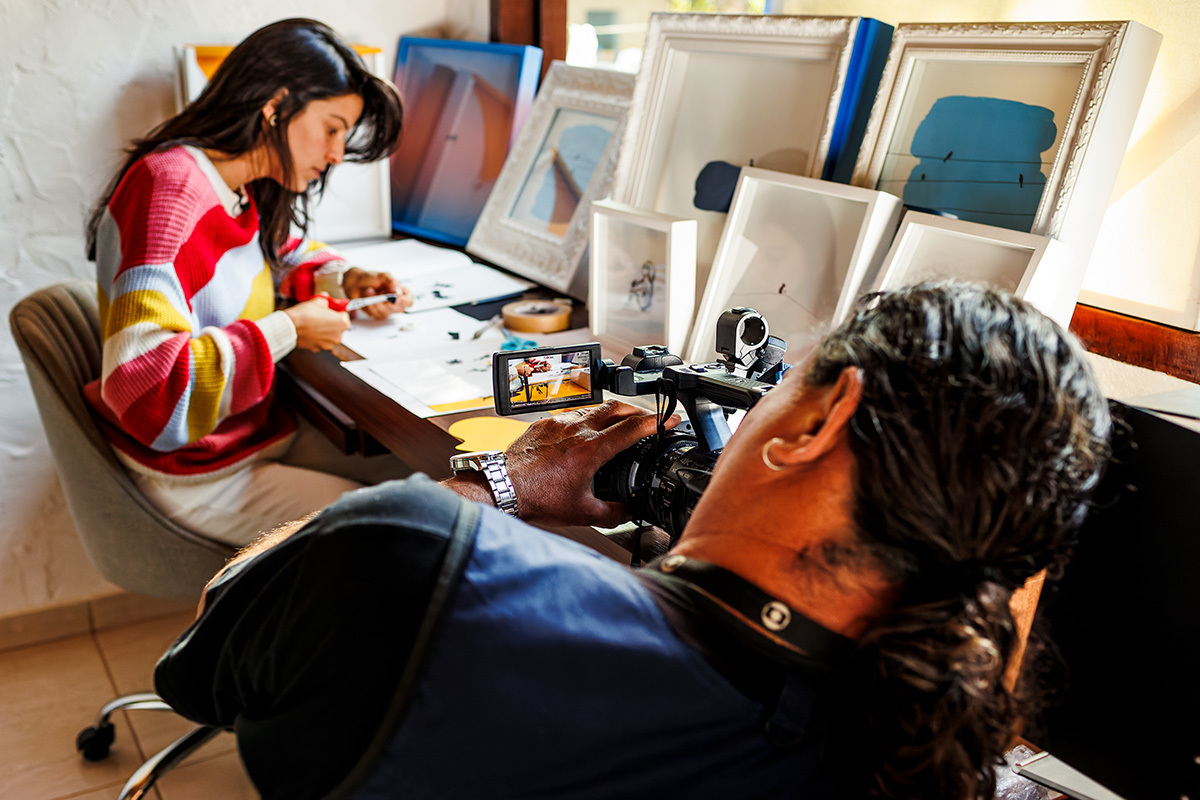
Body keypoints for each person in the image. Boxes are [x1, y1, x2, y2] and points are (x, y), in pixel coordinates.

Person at [154, 282, 1112, 799]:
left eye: (774, 387)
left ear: (819, 427)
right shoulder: (921, 758)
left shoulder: (408, 560)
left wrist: (500, 482)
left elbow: (211, 647)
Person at [84, 19, 413, 545]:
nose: (335, 154)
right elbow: (147, 394)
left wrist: (347, 279)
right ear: (275, 105)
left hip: (247, 435)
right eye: (331, 129)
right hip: (195, 468)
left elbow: (275, 255)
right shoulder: (167, 193)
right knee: (397, 530)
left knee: (423, 487)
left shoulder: (238, 186)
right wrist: (287, 331)